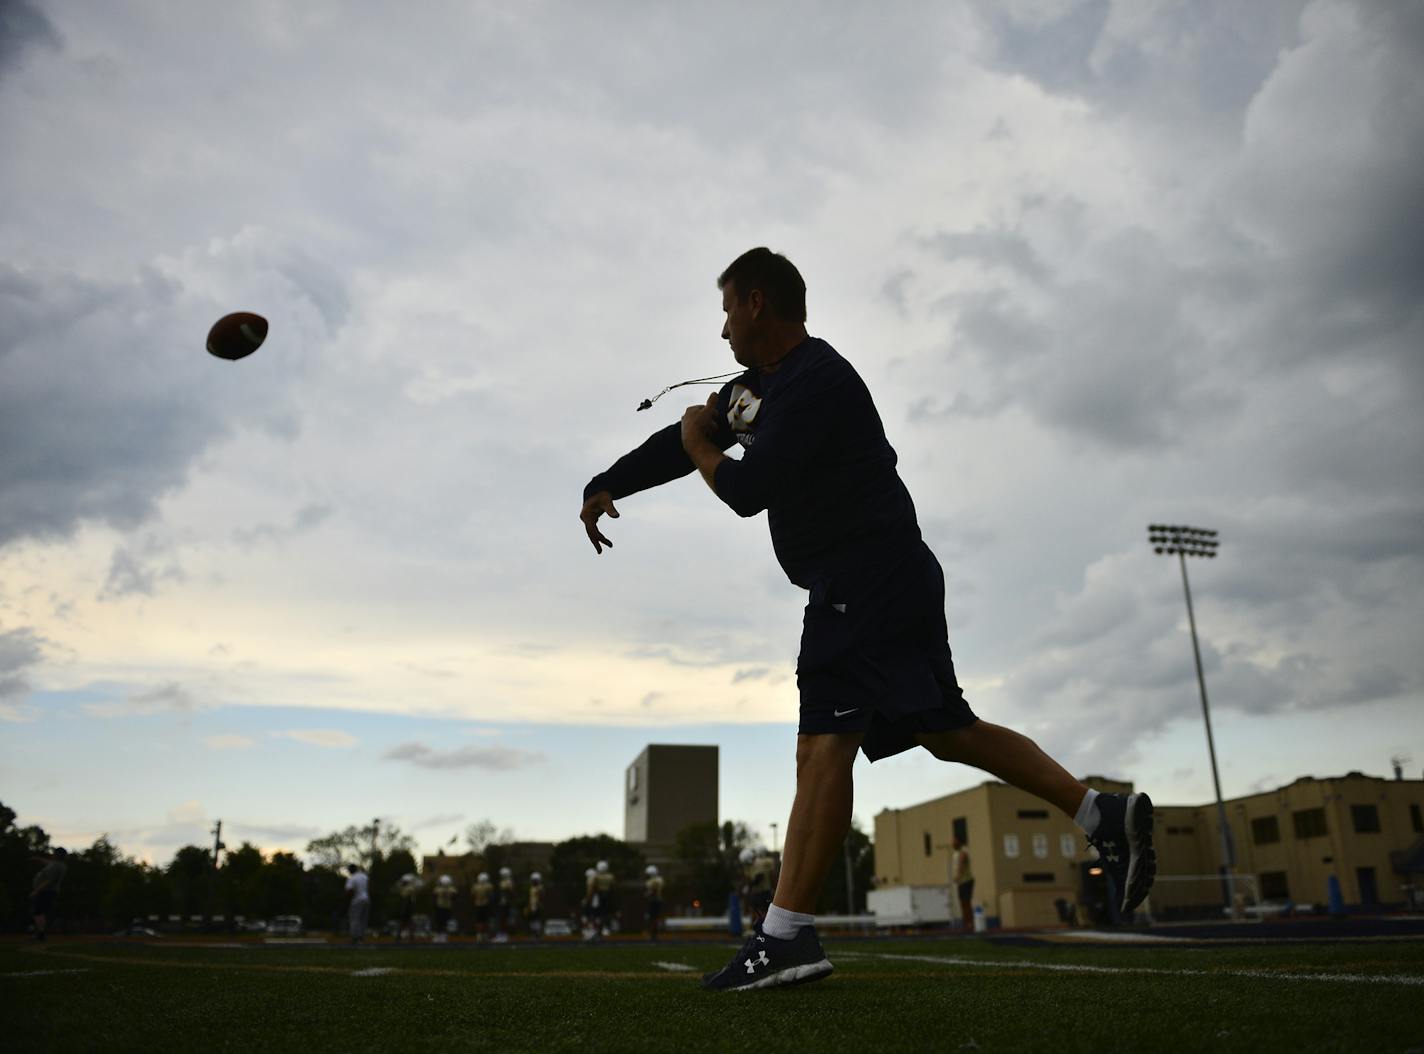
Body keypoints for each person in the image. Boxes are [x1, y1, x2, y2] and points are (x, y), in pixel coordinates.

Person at [579, 248, 1156, 992]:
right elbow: (679, 446)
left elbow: (747, 487)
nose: (721, 332)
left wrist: (698, 441)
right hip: (891, 574)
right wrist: (606, 481)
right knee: (946, 732)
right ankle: (1101, 813)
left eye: (726, 311)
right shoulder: (758, 389)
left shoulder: (818, 381)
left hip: (863, 574)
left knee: (821, 746)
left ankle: (786, 935)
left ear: (757, 303)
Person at [29, 847, 68, 941]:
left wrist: (37, 890)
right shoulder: (56, 864)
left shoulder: (56, 866)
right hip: (47, 891)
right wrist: (39, 859)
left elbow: (49, 881)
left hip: (46, 891)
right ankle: (39, 932)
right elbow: (48, 863)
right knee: (39, 912)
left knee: (39, 912)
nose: (52, 854)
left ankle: (40, 934)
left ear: (57, 855)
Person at [950, 838, 974, 931]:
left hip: (966, 881)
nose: (953, 844)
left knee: (966, 902)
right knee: (962, 903)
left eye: (955, 842)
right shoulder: (955, 854)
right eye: (952, 843)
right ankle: (966, 923)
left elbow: (961, 863)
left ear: (959, 843)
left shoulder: (963, 852)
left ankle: (969, 924)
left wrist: (958, 876)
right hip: (961, 882)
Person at [345, 864, 371, 944]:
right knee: (363, 920)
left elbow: (349, 890)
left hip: (357, 900)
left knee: (355, 919)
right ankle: (361, 937)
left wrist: (345, 900)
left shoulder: (352, 878)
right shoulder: (364, 876)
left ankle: (355, 938)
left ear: (351, 870)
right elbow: (369, 886)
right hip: (366, 899)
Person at [394, 873, 421, 942]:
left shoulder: (408, 888)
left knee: (404, 922)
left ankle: (401, 936)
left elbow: (400, 889)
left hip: (407, 906)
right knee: (408, 922)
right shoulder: (410, 887)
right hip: (409, 905)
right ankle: (410, 936)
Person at [432, 875, 456, 943]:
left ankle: (443, 936)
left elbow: (454, 896)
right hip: (441, 907)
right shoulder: (449, 889)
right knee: (440, 922)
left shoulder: (450, 889)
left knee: (443, 922)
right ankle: (439, 935)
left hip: (445, 907)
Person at [472, 871, 494, 942]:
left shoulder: (475, 886)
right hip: (485, 905)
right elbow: (490, 895)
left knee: (479, 921)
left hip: (478, 905)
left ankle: (479, 936)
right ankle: (484, 935)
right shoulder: (489, 886)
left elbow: (473, 895)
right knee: (485, 921)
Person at [644, 864, 665, 941]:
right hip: (658, 900)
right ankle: (654, 934)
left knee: (651, 918)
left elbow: (653, 891)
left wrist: (647, 894)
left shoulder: (652, 881)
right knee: (655, 918)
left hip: (653, 901)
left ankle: (652, 934)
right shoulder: (660, 880)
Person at [495, 866, 516, 941]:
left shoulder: (508, 882)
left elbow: (511, 893)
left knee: (503, 919)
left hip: (505, 903)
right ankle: (502, 934)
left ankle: (503, 935)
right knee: (502, 919)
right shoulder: (506, 882)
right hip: (503, 902)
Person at [527, 871, 545, 937]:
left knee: (537, 920)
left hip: (537, 906)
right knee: (532, 920)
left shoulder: (539, 888)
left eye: (535, 880)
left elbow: (541, 897)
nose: (533, 882)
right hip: (532, 906)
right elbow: (531, 899)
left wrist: (538, 905)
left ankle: (538, 934)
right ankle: (534, 933)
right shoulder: (532, 888)